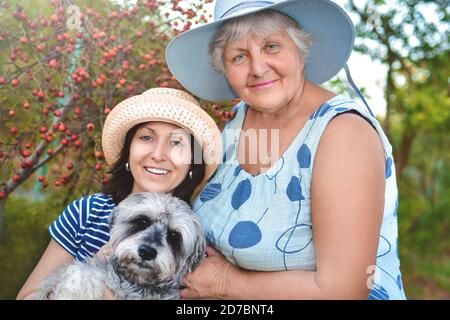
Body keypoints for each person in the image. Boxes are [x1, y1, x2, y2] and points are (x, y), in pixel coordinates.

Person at [166, 0, 406, 299]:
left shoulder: (343, 134)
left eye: (271, 46)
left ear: (300, 50)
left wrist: (225, 282)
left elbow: (344, 291)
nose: (257, 68)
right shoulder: (239, 120)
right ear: (224, 69)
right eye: (239, 56)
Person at [16, 87, 222, 299]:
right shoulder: (88, 212)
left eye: (176, 143)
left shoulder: (199, 236)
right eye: (146, 138)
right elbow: (27, 296)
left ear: (192, 163)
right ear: (128, 149)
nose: (158, 154)